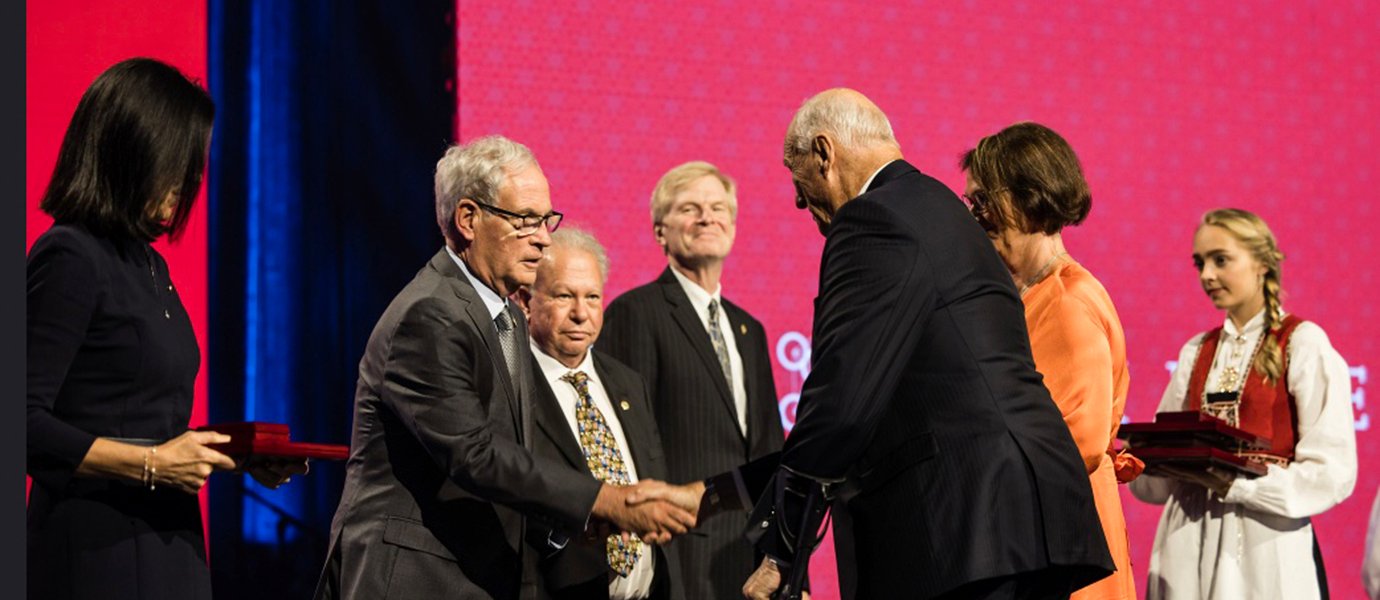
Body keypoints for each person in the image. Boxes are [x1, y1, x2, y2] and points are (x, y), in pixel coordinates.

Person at [743, 88, 1113, 600]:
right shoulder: (943, 210)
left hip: (966, 521)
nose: (799, 200)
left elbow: (842, 397)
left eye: (796, 176)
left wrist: (782, 549)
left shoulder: (873, 220)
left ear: (824, 153)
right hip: (1026, 520)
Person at [315, 136, 695, 600]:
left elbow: (514, 458)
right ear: (468, 219)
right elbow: (474, 454)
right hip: (414, 575)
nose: (544, 237)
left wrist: (573, 521)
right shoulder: (431, 314)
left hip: (477, 573)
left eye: (547, 220)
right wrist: (602, 498)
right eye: (525, 220)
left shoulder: (509, 315)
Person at [26, 57, 304, 600]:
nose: (186, 184)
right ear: (130, 151)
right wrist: (152, 465)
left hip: (169, 540)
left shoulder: (149, 264)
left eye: (191, 168)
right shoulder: (70, 256)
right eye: (175, 165)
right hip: (97, 549)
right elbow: (24, 421)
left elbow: (147, 419)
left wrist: (230, 455)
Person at [1129, 208, 1356, 600]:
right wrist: (1142, 459)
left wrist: (1237, 486)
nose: (1207, 275)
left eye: (1221, 260)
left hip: (1264, 549)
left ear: (1262, 263)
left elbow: (1332, 472)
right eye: (1200, 263)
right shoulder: (1196, 351)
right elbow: (1155, 487)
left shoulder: (1303, 343)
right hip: (1187, 545)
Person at [961, 122, 1138, 600]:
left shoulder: (1067, 300)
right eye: (970, 203)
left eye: (983, 202)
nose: (974, 218)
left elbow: (1076, 443)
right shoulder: (1030, 295)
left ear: (1030, 198)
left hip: (1066, 549)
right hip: (1047, 538)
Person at [599, 161, 782, 599]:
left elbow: (771, 453)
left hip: (753, 563)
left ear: (732, 226)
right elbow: (630, 444)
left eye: (718, 208)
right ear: (660, 231)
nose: (707, 218)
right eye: (689, 208)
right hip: (679, 556)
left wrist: (786, 562)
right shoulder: (635, 313)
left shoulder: (750, 330)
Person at [516, 227, 686, 600]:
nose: (581, 313)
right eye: (564, 296)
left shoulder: (629, 383)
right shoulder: (511, 385)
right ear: (526, 301)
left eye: (592, 297)